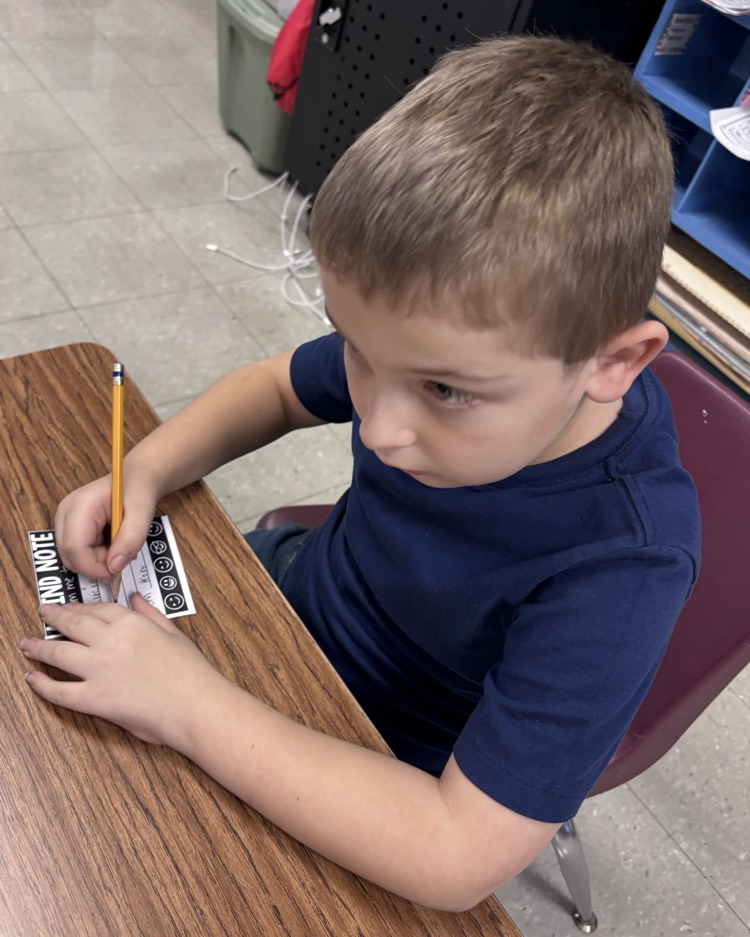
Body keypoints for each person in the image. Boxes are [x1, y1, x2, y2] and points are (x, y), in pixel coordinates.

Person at [20, 35, 700, 913]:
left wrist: (190, 705)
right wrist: (144, 469)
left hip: (380, 758)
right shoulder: (419, 354)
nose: (378, 428)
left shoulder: (624, 564)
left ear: (614, 363)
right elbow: (273, 385)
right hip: (293, 603)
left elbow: (455, 854)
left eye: (447, 391)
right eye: (356, 348)